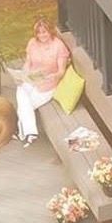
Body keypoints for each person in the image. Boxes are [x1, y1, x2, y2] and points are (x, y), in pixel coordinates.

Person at [14, 18, 71, 146]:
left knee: (25, 105)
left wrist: (54, 77)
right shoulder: (32, 43)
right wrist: (23, 74)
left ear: (50, 31)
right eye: (39, 33)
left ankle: (24, 132)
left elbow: (61, 71)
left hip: (48, 83)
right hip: (33, 77)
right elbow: (28, 63)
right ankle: (29, 133)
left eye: (44, 32)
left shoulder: (58, 46)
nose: (41, 35)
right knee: (21, 91)